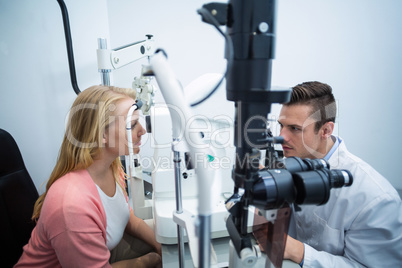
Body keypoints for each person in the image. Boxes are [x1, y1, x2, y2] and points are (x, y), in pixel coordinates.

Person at [15, 85, 162, 267]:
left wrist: (159, 244)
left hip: (105, 253)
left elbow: (126, 217)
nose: (143, 131)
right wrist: (150, 260)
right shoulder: (71, 204)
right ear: (101, 135)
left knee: (172, 238)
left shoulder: (112, 166)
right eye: (131, 125)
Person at [278, 81, 402, 267]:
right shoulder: (293, 161)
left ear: (326, 130)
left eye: (294, 129)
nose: (282, 137)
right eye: (281, 125)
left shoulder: (375, 198)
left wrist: (299, 251)